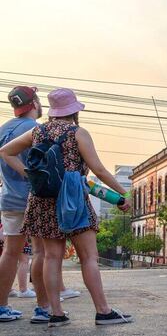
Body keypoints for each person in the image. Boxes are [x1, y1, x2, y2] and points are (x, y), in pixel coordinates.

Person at [0, 88, 133, 327]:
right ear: (73, 110)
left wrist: (30, 176)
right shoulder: (78, 133)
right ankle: (103, 311)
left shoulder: (37, 131)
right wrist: (123, 194)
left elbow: (5, 152)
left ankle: (56, 314)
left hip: (42, 200)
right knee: (89, 257)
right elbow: (100, 170)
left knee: (52, 257)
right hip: (72, 200)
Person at [0, 86, 51, 324]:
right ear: (34, 104)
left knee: (10, 253)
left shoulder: (4, 129)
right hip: (33, 198)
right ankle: (43, 309)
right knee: (41, 252)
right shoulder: (35, 129)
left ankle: (1, 307)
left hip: (9, 198)